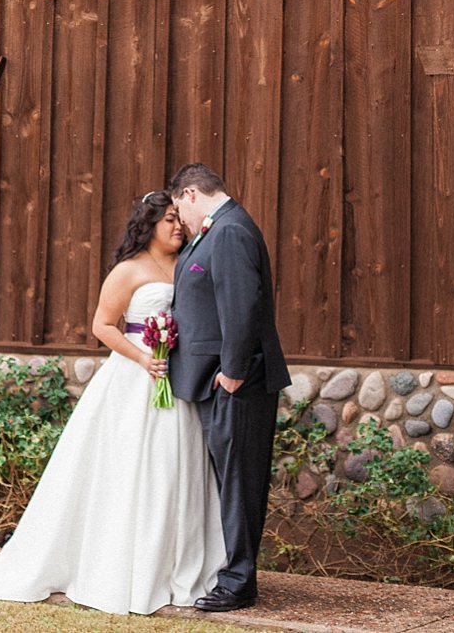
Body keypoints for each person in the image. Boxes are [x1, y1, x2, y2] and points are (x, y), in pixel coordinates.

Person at [0, 191, 225, 614]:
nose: (177, 226)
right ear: (149, 224)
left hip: (179, 380)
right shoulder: (128, 270)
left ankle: (177, 565)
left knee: (176, 467)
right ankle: (121, 565)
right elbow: (103, 325)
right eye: (168, 220)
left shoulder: (187, 264)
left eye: (179, 219)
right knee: (132, 468)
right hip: (135, 379)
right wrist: (143, 358)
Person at [168, 163, 290, 613]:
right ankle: (230, 572)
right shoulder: (216, 231)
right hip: (216, 381)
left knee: (240, 482)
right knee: (230, 480)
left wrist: (234, 371)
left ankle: (238, 583)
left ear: (190, 194)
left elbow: (242, 303)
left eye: (179, 208)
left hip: (237, 383)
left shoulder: (232, 230)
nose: (180, 220)